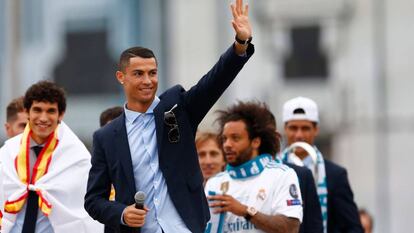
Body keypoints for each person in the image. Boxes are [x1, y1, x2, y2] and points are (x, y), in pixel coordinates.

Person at [84, 0, 254, 232]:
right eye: (138, 73)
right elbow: (93, 200)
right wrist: (122, 213)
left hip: (184, 226)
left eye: (152, 73)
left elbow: (214, 82)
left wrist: (240, 44)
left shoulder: (176, 108)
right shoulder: (106, 137)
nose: (147, 81)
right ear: (121, 77)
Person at [0, 81, 103, 233]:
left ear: (60, 115)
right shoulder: (7, 152)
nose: (43, 118)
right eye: (37, 110)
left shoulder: (77, 156)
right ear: (27, 112)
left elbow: (83, 212)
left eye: (50, 111)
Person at [205, 101, 302, 233]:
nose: (227, 144)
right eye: (224, 139)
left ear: (255, 142)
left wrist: (245, 211)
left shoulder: (282, 175)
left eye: (235, 138)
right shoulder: (215, 183)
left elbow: (290, 228)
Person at [280, 96, 363, 233]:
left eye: (305, 128)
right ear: (285, 129)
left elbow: (352, 227)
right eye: (293, 128)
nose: (299, 135)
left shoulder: (335, 175)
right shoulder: (272, 171)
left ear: (316, 130)